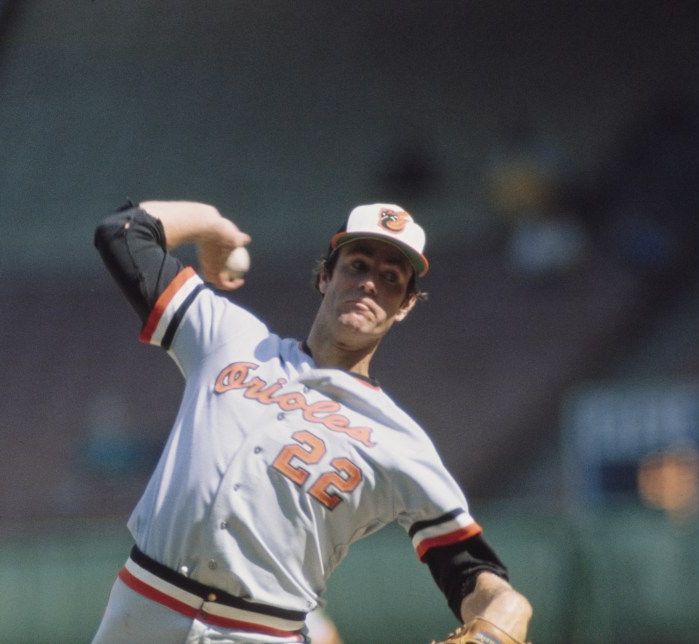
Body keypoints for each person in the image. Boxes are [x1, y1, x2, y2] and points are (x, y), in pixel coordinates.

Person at [91, 200, 533, 643]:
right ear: (325, 276)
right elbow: (122, 233)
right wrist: (210, 223)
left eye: (391, 279)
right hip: (142, 612)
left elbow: (468, 570)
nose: (369, 284)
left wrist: (506, 606)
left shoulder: (399, 442)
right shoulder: (231, 338)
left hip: (260, 631)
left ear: (405, 305)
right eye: (357, 265)